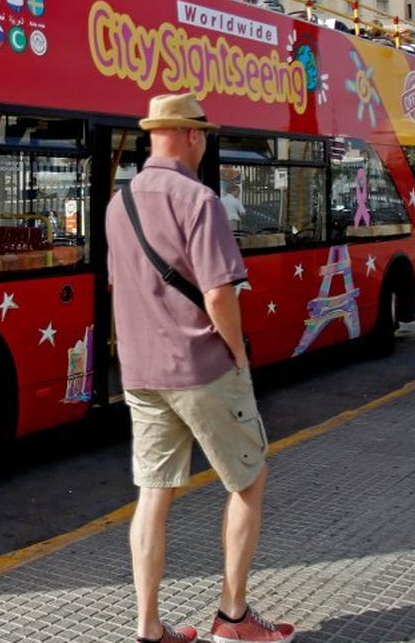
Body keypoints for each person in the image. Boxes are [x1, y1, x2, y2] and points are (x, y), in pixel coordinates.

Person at [105, 93, 294, 643]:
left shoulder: (120, 204)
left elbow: (122, 289)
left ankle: (148, 628)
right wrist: (237, 352)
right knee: (249, 480)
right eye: (204, 133)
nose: (205, 141)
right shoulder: (200, 199)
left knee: (153, 494)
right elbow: (218, 294)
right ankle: (232, 619)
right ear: (188, 135)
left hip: (141, 373)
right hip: (202, 367)